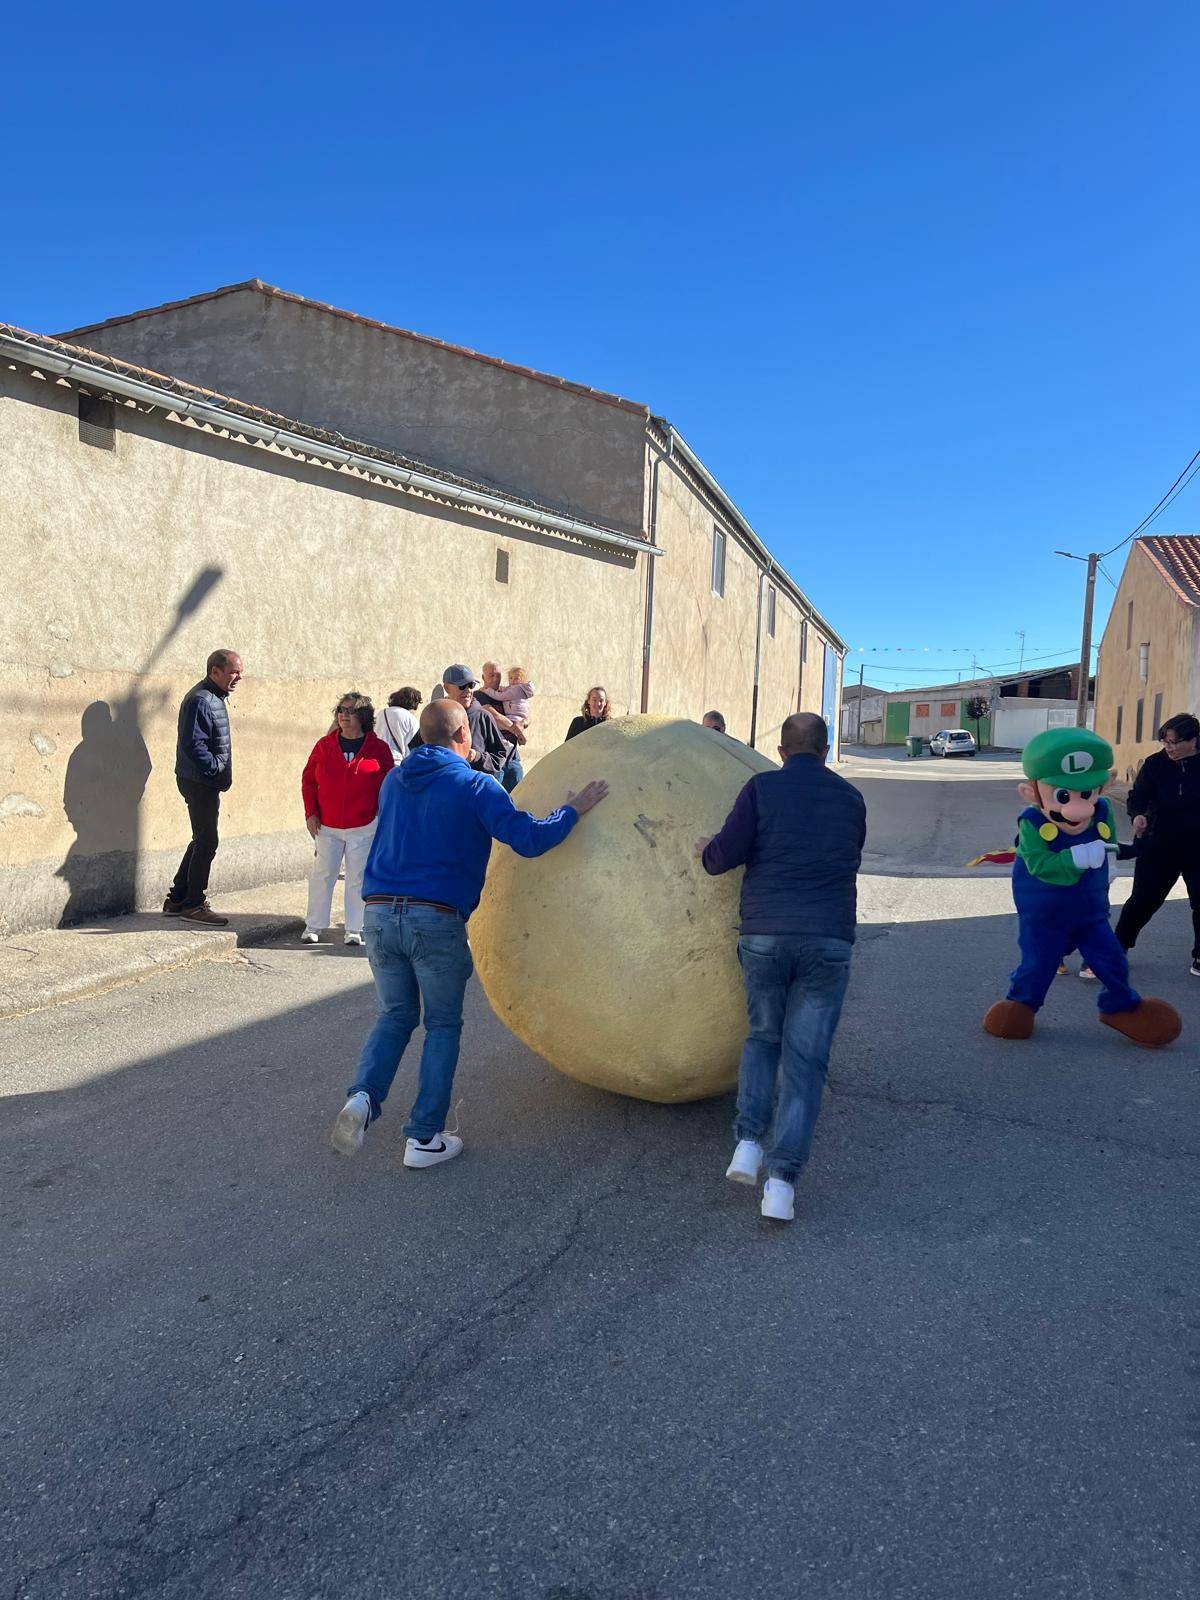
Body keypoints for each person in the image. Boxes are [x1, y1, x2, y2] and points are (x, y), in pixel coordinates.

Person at [329, 699, 608, 1168]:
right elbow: (529, 839)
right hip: (434, 918)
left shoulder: (394, 781)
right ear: (464, 736)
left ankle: (362, 1097)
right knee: (441, 1025)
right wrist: (573, 810)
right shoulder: (476, 785)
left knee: (394, 1016)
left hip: (377, 914)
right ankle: (423, 1138)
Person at [696, 712, 865, 1224]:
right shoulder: (851, 798)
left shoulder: (761, 788)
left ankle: (747, 1144)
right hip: (828, 939)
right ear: (826, 746)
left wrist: (707, 849)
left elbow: (723, 857)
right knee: (806, 1062)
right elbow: (848, 857)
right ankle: (783, 1185)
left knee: (763, 1038)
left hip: (765, 935)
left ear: (782, 748)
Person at [301, 693, 393, 947]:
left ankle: (355, 928)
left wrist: (382, 817)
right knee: (323, 874)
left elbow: (389, 786)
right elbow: (308, 780)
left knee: (358, 878)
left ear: (363, 717)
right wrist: (311, 812)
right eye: (341, 710)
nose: (344, 715)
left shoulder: (379, 750)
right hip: (327, 825)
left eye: (350, 711)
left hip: (363, 825)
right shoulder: (324, 746)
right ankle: (314, 926)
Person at [1115, 712, 1200, 976]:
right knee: (1144, 899)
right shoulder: (1155, 764)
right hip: (1159, 844)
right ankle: (1117, 948)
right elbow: (1137, 797)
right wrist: (1138, 815)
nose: (1169, 748)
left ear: (1194, 739)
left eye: (1174, 742)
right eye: (1165, 743)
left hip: (1197, 847)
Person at [163, 648, 243, 926]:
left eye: (240, 672)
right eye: (233, 671)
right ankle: (193, 904)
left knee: (202, 839)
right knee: (208, 841)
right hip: (199, 781)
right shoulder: (201, 699)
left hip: (203, 780)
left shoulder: (214, 697)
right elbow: (193, 743)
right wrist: (213, 770)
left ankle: (177, 898)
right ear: (215, 671)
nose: (238, 677)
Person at [409, 665, 508, 776]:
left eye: (471, 685)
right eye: (462, 686)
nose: (468, 690)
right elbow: (414, 751)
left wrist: (477, 757)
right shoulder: (436, 715)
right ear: (447, 688)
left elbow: (500, 758)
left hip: (474, 788)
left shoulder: (483, 717)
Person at [476, 660, 528, 793]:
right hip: (494, 758)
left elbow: (524, 714)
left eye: (498, 675)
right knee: (493, 798)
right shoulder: (479, 695)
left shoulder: (506, 693)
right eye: (491, 675)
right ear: (483, 677)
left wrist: (524, 723)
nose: (495, 679)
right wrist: (518, 731)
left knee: (518, 797)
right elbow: (495, 717)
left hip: (512, 757)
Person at [377, 687, 423, 765]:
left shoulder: (381, 713)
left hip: (377, 758)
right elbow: (415, 745)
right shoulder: (410, 719)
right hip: (396, 761)